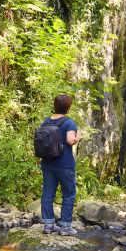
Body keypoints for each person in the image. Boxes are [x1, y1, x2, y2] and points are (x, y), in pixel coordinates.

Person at [38, 94, 79, 235]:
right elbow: (69, 140)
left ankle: (48, 225)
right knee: (69, 194)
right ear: (68, 107)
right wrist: (78, 138)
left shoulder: (46, 121)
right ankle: (65, 227)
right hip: (65, 164)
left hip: (48, 163)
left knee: (48, 193)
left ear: (54, 105)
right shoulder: (69, 123)